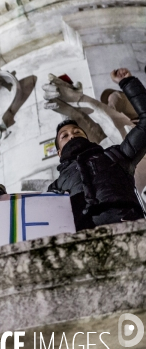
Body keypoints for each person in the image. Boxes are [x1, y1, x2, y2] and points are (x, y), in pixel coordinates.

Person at [48, 68, 146, 231]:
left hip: (129, 228)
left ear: (87, 138)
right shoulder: (55, 187)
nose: (72, 136)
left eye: (77, 132)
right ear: (59, 153)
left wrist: (128, 82)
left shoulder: (117, 155)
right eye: (64, 136)